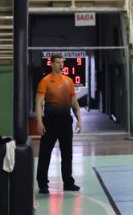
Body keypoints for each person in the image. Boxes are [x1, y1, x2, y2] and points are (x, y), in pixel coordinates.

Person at [35, 53, 83, 194]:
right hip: (50, 122)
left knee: (67, 154)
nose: (61, 64)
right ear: (52, 64)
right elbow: (38, 104)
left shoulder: (69, 81)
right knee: (45, 153)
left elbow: (74, 103)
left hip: (65, 122)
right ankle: (43, 184)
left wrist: (79, 119)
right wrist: (39, 122)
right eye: (58, 62)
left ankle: (68, 182)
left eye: (62, 62)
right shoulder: (45, 81)